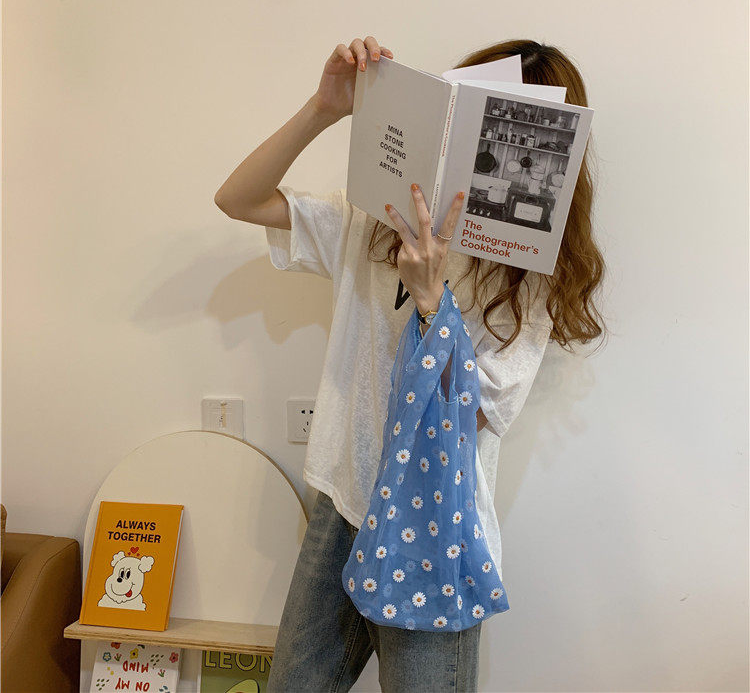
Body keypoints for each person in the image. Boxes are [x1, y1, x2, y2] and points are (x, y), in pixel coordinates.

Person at [214, 36, 606, 692]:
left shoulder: (528, 280)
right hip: (343, 501)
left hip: (435, 528)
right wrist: (324, 107)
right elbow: (238, 199)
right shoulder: (373, 219)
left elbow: (471, 415)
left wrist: (431, 301)